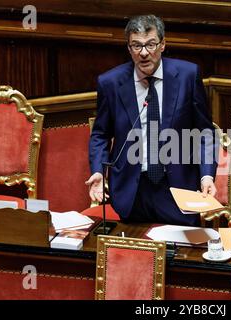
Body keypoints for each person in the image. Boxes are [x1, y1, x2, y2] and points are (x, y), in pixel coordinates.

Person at [85, 14, 217, 226]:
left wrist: (206, 176)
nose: (144, 53)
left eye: (151, 45)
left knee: (180, 255)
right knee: (134, 253)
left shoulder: (187, 75)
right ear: (129, 49)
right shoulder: (110, 83)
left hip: (176, 186)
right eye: (136, 46)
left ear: (163, 44)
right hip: (132, 190)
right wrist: (99, 170)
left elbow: (204, 131)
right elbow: (100, 134)